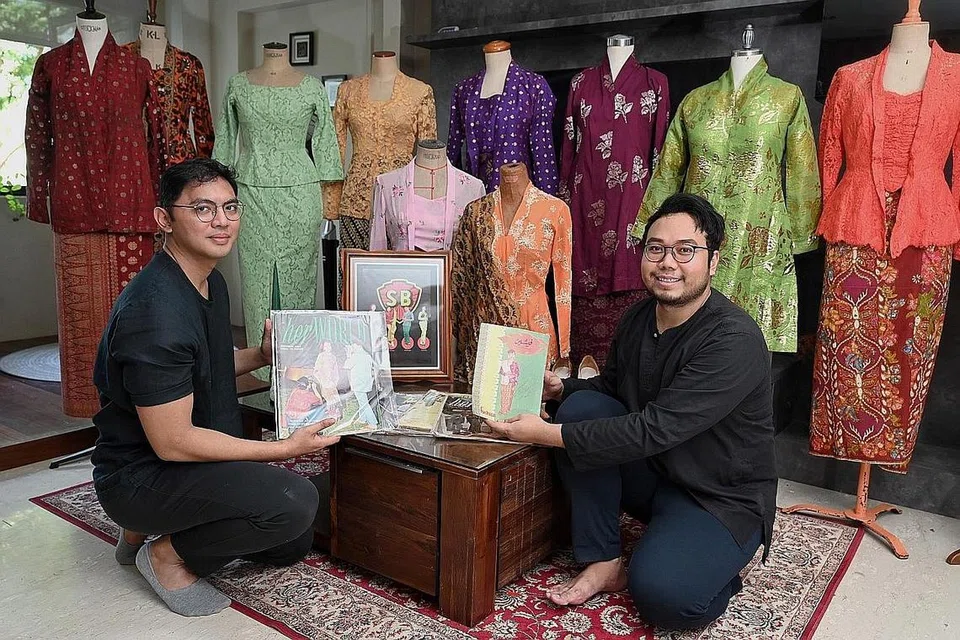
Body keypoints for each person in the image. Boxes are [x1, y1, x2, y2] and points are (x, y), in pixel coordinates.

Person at [486, 193, 777, 630]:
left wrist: (541, 434)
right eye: (656, 248)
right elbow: (610, 390)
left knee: (666, 599)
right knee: (583, 406)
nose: (667, 262)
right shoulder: (639, 317)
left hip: (717, 497)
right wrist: (560, 387)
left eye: (685, 250)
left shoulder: (733, 339)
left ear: (713, 262)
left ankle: (719, 562)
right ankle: (604, 559)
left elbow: (654, 429)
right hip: (658, 475)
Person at [91, 159, 340, 618]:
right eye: (203, 209)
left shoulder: (209, 282)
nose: (222, 221)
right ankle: (164, 552)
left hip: (184, 461)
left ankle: (142, 530)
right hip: (142, 472)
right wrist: (283, 449)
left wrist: (262, 356)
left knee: (292, 540)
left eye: (230, 207)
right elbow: (173, 442)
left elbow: (201, 367)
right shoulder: (155, 312)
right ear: (164, 218)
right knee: (293, 502)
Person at [343, 343, 378, 427]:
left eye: (353, 345)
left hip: (358, 384)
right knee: (362, 401)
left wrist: (348, 355)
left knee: (363, 403)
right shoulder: (367, 356)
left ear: (358, 346)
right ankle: (363, 419)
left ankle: (373, 423)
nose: (352, 347)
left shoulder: (355, 356)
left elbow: (347, 366)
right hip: (366, 383)